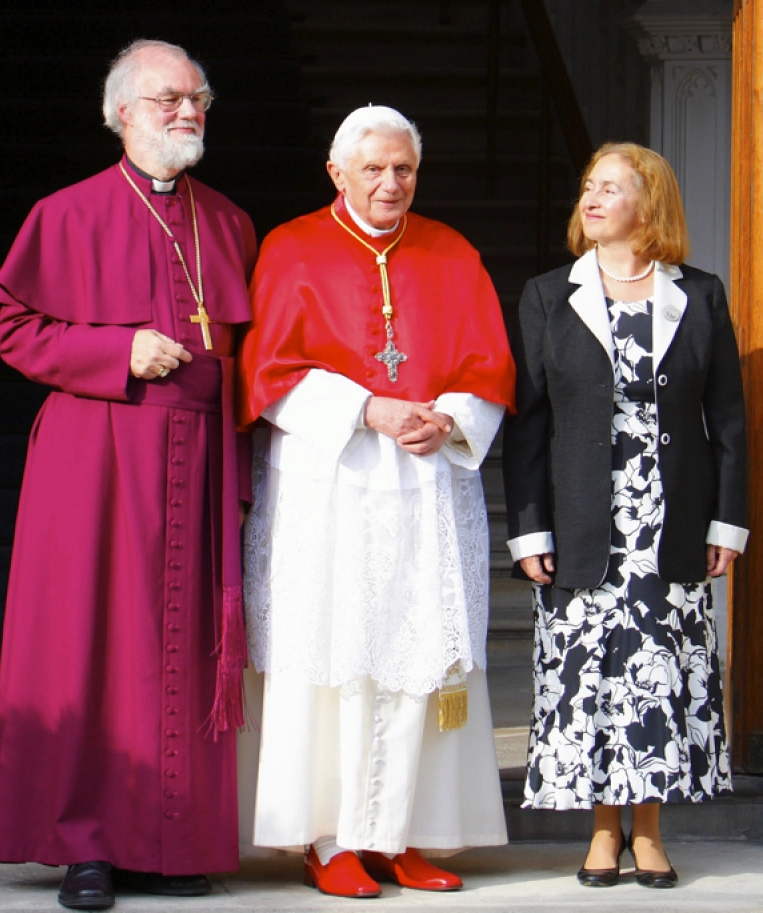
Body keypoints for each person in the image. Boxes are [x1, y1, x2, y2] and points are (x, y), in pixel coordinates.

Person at [0, 39, 256, 910]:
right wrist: (118, 347)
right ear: (124, 112)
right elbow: (15, 330)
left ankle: (172, 840)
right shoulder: (66, 214)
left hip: (198, 457)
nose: (189, 112)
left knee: (178, 647)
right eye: (171, 98)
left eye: (199, 99)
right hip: (96, 459)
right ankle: (89, 845)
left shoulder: (230, 222)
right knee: (97, 646)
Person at [238, 105, 515, 898]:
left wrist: (452, 418)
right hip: (334, 488)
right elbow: (268, 373)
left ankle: (406, 834)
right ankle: (329, 838)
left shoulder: (450, 250)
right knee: (335, 654)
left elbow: (489, 367)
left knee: (421, 654)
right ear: (337, 173)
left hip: (427, 488)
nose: (392, 183)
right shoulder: (291, 248)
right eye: (375, 169)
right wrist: (367, 409)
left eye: (404, 169)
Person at [502, 143, 747, 889]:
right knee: (589, 676)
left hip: (670, 519)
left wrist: (726, 525)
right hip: (582, 520)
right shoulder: (550, 294)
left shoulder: (699, 294)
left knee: (658, 675)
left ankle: (650, 831)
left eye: (610, 187)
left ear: (650, 203)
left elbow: (728, 420)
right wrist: (529, 528)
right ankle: (601, 829)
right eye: (588, 187)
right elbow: (529, 424)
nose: (592, 198)